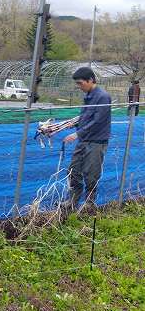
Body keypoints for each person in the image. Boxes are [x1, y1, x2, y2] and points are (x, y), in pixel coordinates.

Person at [63, 67, 111, 210]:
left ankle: (89, 204)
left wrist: (77, 134)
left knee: (91, 174)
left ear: (90, 80)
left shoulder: (103, 97)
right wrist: (74, 123)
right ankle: (72, 201)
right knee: (73, 170)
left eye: (80, 83)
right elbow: (86, 116)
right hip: (84, 140)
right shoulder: (88, 95)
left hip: (96, 141)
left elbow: (97, 121)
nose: (79, 86)